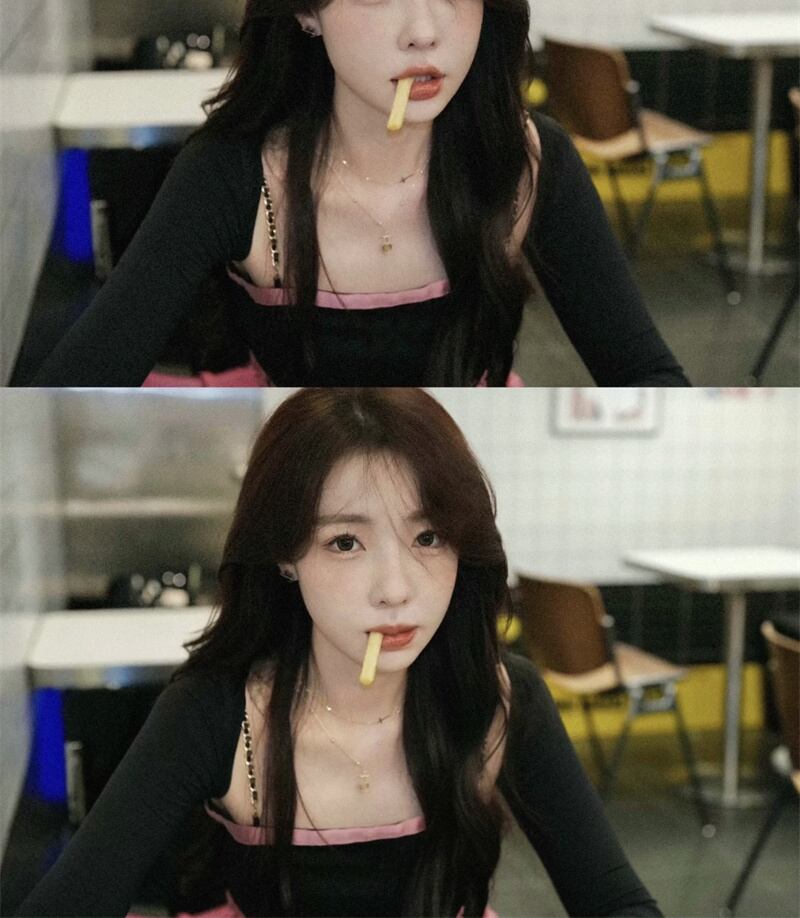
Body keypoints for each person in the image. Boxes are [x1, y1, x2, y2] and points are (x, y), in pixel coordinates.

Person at [29, 0, 688, 388]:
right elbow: (73, 385)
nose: (424, 31)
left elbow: (648, 375)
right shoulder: (235, 174)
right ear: (306, 8)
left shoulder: (527, 160)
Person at [16, 388, 662, 917]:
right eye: (345, 543)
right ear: (285, 555)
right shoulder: (216, 710)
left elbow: (618, 902)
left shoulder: (497, 697)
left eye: (429, 537)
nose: (396, 590)